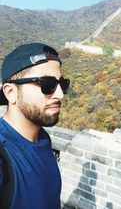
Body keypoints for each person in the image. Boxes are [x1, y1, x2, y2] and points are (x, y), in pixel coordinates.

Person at [0, 42, 70, 209]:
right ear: (11, 92)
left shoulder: (42, 137)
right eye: (47, 84)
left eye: (63, 84)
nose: (60, 94)